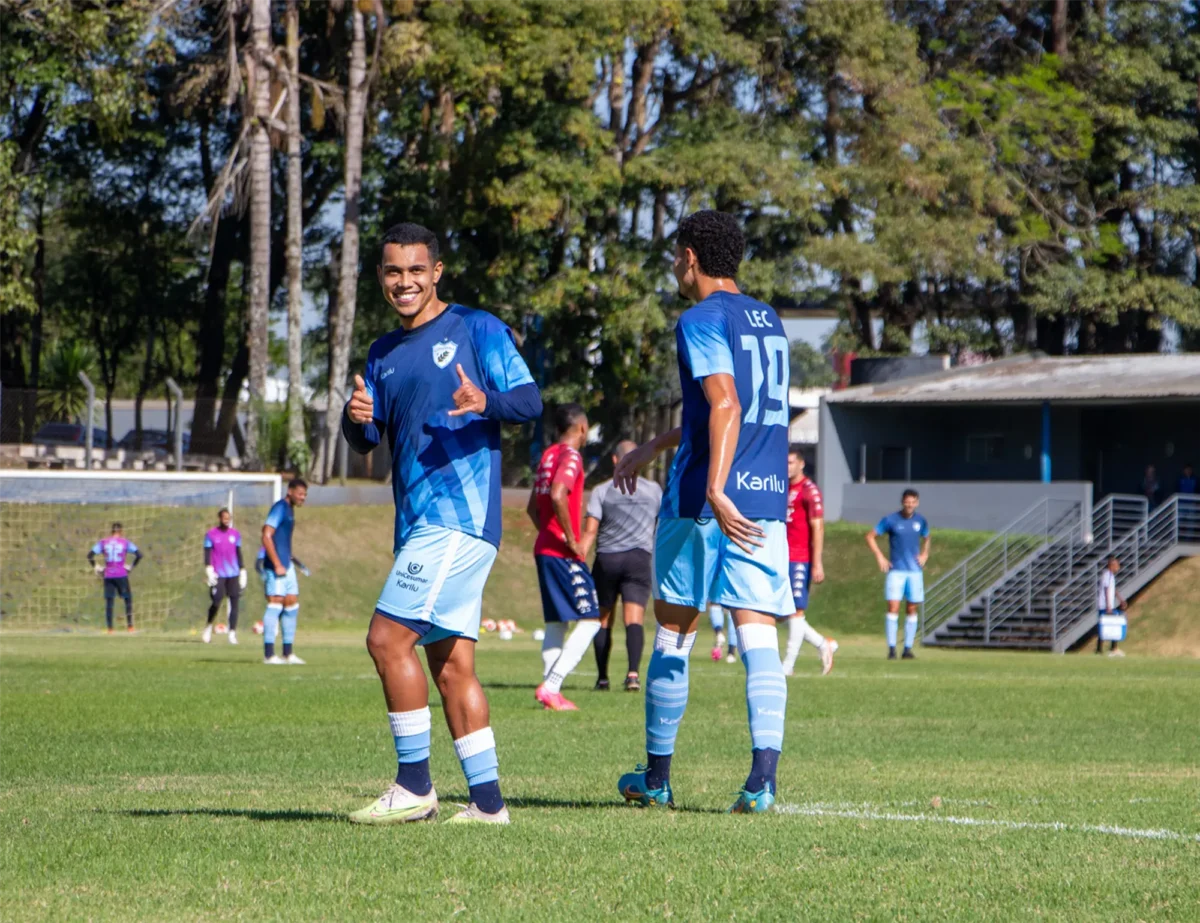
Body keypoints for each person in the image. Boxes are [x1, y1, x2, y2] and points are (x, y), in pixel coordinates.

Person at [342, 221, 541, 826]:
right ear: (381, 277)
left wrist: (485, 401)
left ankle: (414, 787)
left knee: (386, 638)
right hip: (419, 524)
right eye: (393, 272)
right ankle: (487, 805)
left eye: (415, 270)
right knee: (451, 665)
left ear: (437, 273)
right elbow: (366, 440)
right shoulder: (381, 353)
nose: (405, 282)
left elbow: (530, 402)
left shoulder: (476, 328)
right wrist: (356, 419)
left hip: (457, 522)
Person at [611, 210, 794, 814]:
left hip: (703, 502)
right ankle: (762, 781)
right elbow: (721, 412)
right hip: (766, 502)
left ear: (690, 257)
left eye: (674, 256)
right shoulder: (770, 321)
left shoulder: (701, 317)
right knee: (758, 637)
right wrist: (652, 446)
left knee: (673, 632)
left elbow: (726, 403)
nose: (673, 267)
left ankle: (657, 778)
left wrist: (715, 488)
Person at [528, 403, 602, 710]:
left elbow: (533, 507)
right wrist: (572, 540)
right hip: (562, 552)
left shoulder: (547, 456)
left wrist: (548, 531)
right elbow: (559, 494)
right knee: (591, 621)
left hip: (544, 547)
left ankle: (551, 695)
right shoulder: (571, 456)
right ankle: (553, 684)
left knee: (557, 623)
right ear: (582, 428)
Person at [582, 440, 661, 692]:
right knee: (633, 618)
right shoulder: (654, 490)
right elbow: (662, 527)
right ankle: (633, 674)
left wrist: (579, 552)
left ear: (615, 460)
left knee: (603, 619)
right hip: (639, 559)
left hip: (607, 559)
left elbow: (591, 531)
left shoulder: (601, 490)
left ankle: (602, 677)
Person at [782, 449, 836, 676]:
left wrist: (817, 563)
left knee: (795, 612)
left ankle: (787, 666)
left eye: (791, 462)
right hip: (781, 556)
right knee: (780, 613)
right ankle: (823, 644)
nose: (787, 466)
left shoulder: (809, 491)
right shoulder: (783, 488)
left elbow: (818, 527)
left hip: (799, 558)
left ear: (802, 464)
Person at [866, 489, 931, 660]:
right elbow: (870, 536)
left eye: (913, 502)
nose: (909, 505)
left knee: (912, 608)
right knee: (893, 607)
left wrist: (925, 554)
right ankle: (892, 648)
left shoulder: (920, 521)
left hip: (915, 572)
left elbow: (927, 537)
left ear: (917, 503)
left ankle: (908, 648)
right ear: (902, 502)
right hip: (896, 572)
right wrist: (880, 557)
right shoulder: (891, 520)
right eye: (907, 501)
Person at [261, 479, 308, 666]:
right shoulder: (279, 507)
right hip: (276, 566)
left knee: (291, 604)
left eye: (305, 494)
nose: (303, 497)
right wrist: (277, 563)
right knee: (275, 604)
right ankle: (269, 655)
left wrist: (289, 558)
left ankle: (288, 653)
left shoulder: (290, 509)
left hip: (286, 565)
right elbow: (266, 535)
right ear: (290, 491)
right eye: (300, 493)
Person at [203, 508, 247, 645]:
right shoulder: (211, 534)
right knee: (216, 601)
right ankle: (208, 627)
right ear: (220, 518)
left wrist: (243, 570)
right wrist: (208, 568)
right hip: (218, 573)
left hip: (233, 573)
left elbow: (238, 552)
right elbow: (207, 552)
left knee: (234, 602)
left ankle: (232, 633)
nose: (226, 520)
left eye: (228, 518)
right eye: (224, 517)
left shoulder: (235, 534)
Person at [88, 523, 142, 633]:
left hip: (108, 574)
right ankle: (130, 627)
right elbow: (139, 555)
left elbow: (89, 556)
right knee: (128, 600)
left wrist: (96, 567)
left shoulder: (103, 542)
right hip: (121, 574)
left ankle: (110, 629)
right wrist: (131, 566)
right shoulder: (125, 542)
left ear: (111, 531)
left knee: (109, 602)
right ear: (121, 531)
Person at [1096, 556, 1127, 658]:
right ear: (1111, 565)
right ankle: (1108, 649)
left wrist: (1120, 599)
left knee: (1110, 625)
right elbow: (1106, 590)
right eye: (1117, 565)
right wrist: (1108, 606)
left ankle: (1105, 649)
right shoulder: (1107, 575)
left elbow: (1113, 589)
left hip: (1108, 605)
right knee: (1108, 625)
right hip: (1105, 606)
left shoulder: (1111, 576)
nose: (1118, 567)